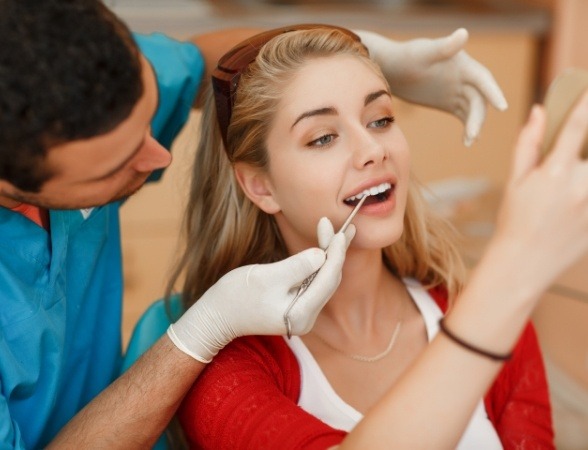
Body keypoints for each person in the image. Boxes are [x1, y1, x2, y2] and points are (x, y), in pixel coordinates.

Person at [0, 1, 508, 448]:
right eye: (321, 138)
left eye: (381, 119)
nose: (159, 156)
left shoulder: (68, 68)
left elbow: (200, 65)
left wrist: (356, 50)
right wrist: (202, 332)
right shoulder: (237, 376)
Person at [171, 25, 588, 449]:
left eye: (381, 119)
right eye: (323, 137)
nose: (373, 147)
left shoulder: (487, 318)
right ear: (261, 187)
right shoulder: (224, 371)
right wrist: (512, 272)